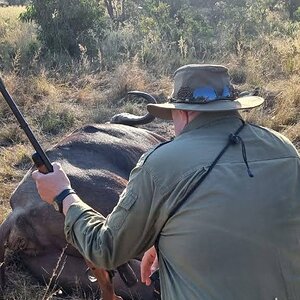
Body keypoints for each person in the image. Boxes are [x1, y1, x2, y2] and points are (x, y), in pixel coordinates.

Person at [32, 64, 300, 299]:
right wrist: (169, 243)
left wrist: (63, 195)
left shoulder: (160, 164)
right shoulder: (285, 150)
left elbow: (105, 250)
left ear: (182, 113)